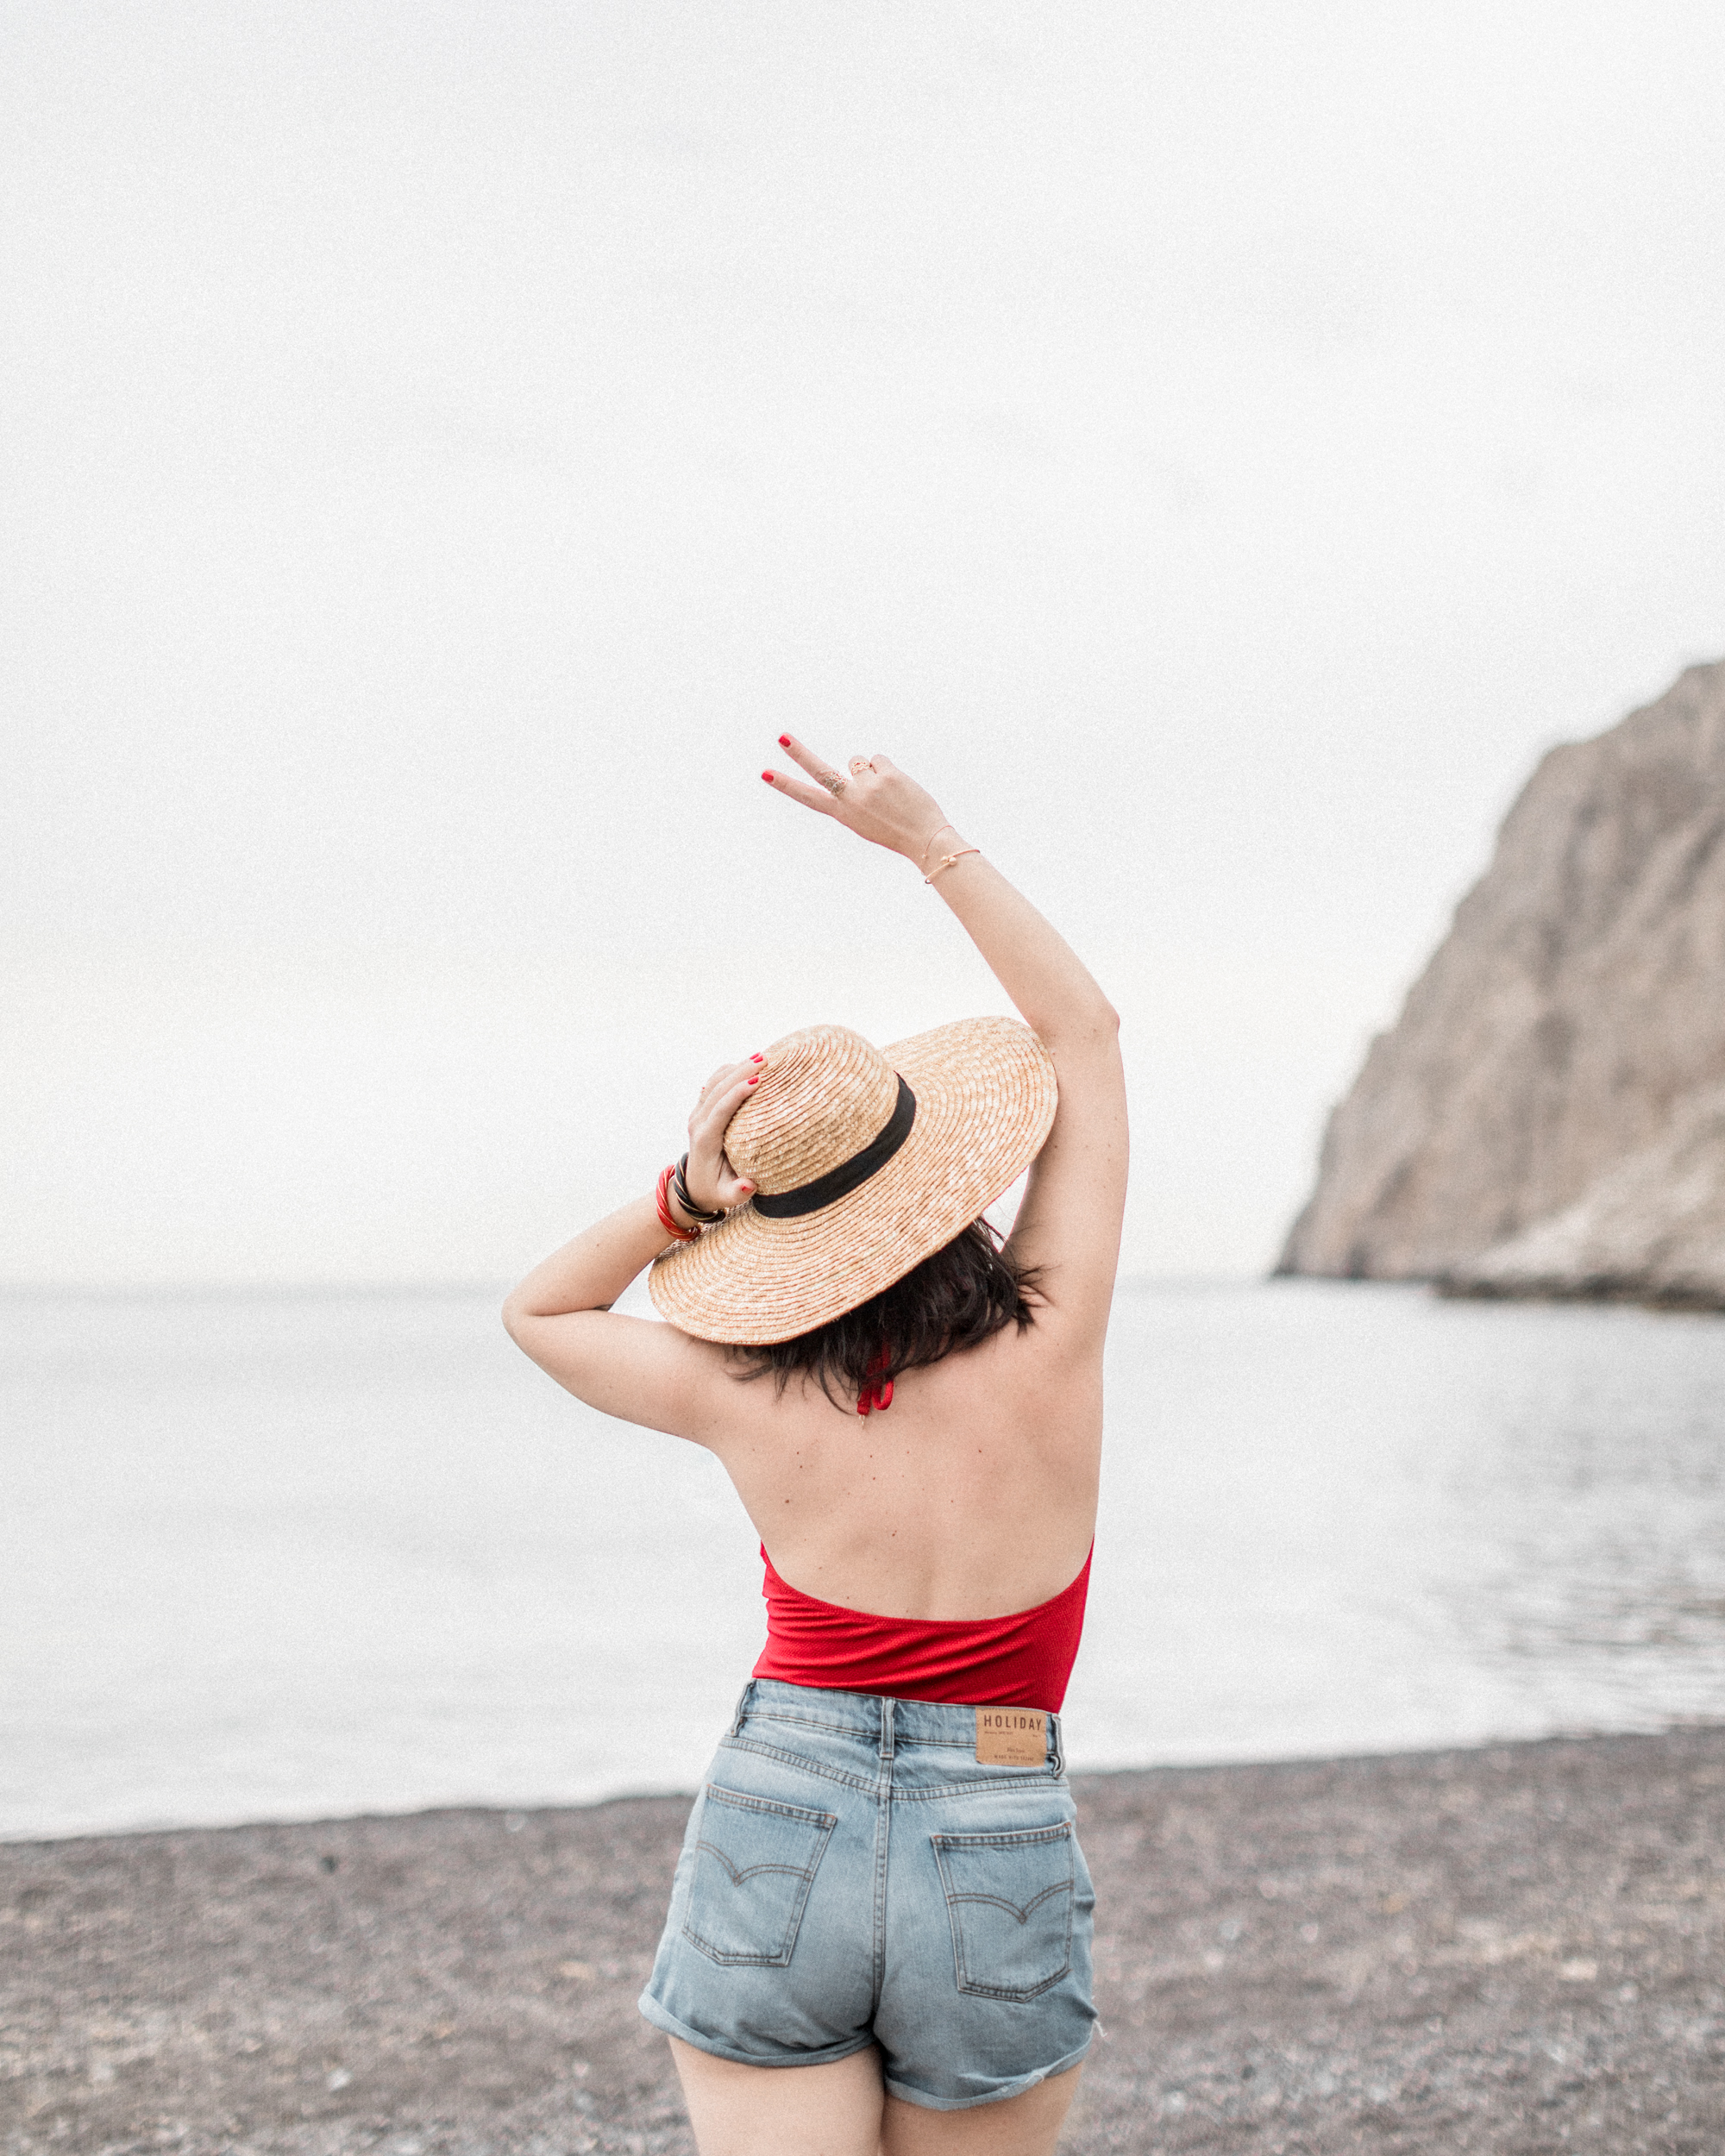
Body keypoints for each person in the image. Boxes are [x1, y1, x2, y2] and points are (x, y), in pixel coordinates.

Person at [503, 737, 1127, 2156]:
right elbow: (1082, 1033)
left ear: (780, 1243)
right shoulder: (1056, 1346)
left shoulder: (743, 1390)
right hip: (997, 1798)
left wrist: (685, 1190)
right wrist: (934, 844)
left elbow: (540, 1310)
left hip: (784, 1798)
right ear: (952, 1184)